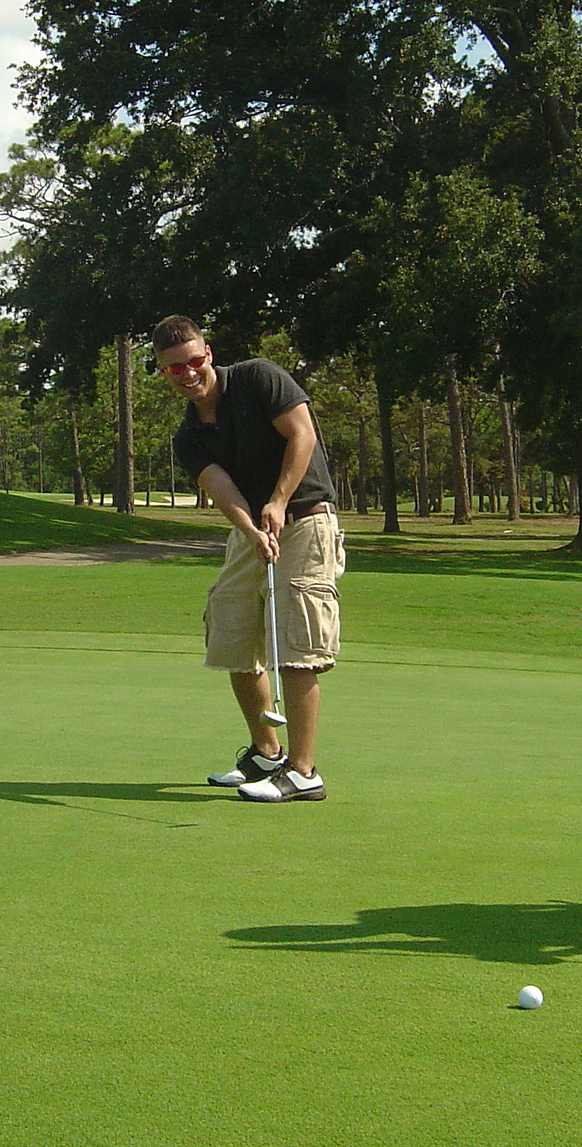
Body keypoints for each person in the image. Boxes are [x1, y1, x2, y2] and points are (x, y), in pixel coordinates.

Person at [153, 315, 344, 802]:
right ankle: (267, 754)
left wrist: (277, 502)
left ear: (208, 353)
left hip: (304, 519)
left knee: (297, 647)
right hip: (252, 532)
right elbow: (220, 488)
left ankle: (303, 772)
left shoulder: (259, 377)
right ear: (163, 371)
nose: (189, 372)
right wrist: (252, 529)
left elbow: (302, 435)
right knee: (233, 634)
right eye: (176, 368)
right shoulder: (188, 435)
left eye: (195, 361)